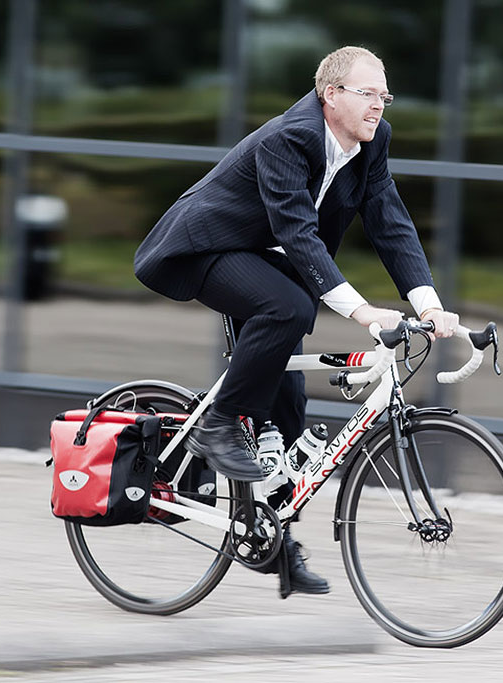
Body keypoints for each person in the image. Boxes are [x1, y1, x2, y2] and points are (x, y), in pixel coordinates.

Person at [134, 46, 459, 595]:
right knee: (287, 307)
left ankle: (270, 544)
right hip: (203, 249)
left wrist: (427, 303)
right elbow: (296, 232)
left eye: (384, 95)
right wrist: (362, 311)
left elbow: (390, 221)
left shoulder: (370, 142)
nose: (379, 105)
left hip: (263, 260)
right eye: (367, 93)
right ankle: (217, 424)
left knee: (287, 412)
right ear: (330, 95)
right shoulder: (290, 136)